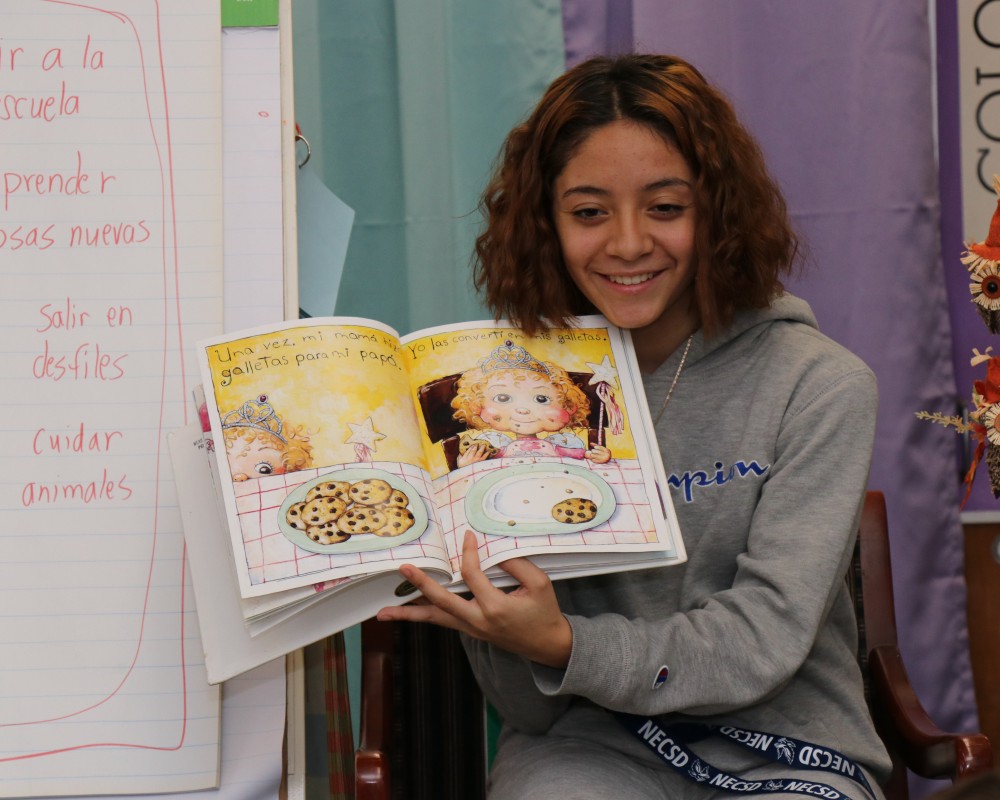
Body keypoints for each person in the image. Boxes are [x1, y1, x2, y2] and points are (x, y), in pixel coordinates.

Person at [376, 53, 889, 799]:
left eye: (665, 208)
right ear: (544, 223)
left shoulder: (819, 385)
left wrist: (569, 644)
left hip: (790, 748)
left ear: (718, 212)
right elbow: (524, 705)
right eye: (588, 212)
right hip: (586, 750)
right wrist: (479, 597)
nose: (626, 244)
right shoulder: (499, 397)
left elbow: (764, 640)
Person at [451, 339, 612, 467]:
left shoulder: (554, 447)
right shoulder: (499, 450)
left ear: (568, 406)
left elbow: (581, 455)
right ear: (477, 407)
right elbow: (486, 466)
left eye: (541, 399)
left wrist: (595, 455)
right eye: (503, 398)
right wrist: (465, 464)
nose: (523, 409)